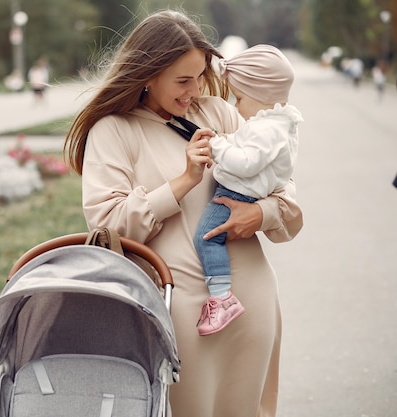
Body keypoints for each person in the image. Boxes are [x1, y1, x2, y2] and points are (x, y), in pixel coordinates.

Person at [64, 9, 303, 417]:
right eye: (182, 80)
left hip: (252, 297)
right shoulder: (114, 130)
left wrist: (259, 214)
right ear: (148, 74)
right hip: (178, 311)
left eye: (199, 76)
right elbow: (107, 227)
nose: (195, 90)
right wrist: (183, 181)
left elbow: (286, 198)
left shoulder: (219, 114)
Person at [190, 44, 303, 336]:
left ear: (261, 95)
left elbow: (247, 162)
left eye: (239, 98)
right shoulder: (276, 123)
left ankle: (222, 297)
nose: (235, 107)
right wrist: (227, 140)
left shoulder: (266, 129)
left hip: (237, 194)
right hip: (244, 191)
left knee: (206, 238)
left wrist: (216, 145)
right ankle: (221, 296)